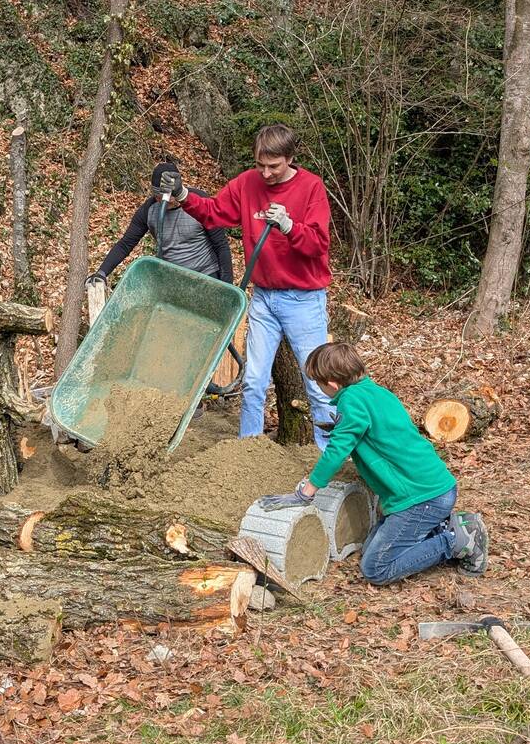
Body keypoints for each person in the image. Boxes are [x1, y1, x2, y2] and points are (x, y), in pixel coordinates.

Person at [160, 124, 335, 447]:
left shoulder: (311, 188)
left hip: (304, 300)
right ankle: (248, 451)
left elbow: (318, 245)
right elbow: (214, 213)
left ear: (290, 159)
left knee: (317, 383)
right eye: (260, 165)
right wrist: (184, 196)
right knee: (254, 381)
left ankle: (328, 457)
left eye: (274, 166)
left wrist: (288, 225)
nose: (266, 173)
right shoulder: (247, 184)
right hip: (264, 298)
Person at [260, 342, 489, 583]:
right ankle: (446, 526)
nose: (317, 387)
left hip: (423, 498)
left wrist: (307, 491)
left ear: (333, 384)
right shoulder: (377, 392)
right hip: (432, 489)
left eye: (318, 382)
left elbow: (336, 452)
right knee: (369, 548)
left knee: (376, 568)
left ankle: (457, 540)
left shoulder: (351, 401)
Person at [86, 161, 233, 287]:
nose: (167, 201)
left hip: (206, 275)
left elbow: (221, 245)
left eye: (170, 196)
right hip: (172, 279)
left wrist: (227, 287)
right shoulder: (149, 210)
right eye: (159, 197)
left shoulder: (200, 201)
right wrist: (102, 272)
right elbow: (126, 243)